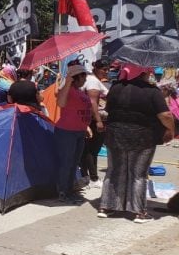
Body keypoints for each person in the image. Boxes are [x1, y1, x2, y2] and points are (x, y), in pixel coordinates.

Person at [99, 64, 175, 222]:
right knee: (138, 174)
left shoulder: (115, 88)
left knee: (114, 170)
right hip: (142, 137)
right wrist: (171, 130)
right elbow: (166, 115)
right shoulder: (151, 91)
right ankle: (139, 212)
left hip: (115, 135)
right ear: (143, 73)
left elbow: (108, 110)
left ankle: (107, 206)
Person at [54, 64, 91, 204]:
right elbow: (61, 104)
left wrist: (86, 126)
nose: (85, 78)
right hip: (66, 132)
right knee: (66, 163)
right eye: (84, 76)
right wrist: (67, 82)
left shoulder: (79, 91)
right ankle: (63, 192)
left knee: (73, 163)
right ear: (78, 77)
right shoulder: (68, 90)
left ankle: (68, 190)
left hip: (79, 132)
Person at [78, 60, 110, 189]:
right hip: (91, 120)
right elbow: (92, 103)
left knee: (87, 150)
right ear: (95, 68)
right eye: (103, 69)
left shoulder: (94, 80)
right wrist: (98, 121)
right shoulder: (93, 81)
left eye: (107, 69)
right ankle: (93, 178)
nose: (106, 71)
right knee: (92, 150)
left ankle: (86, 176)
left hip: (86, 119)